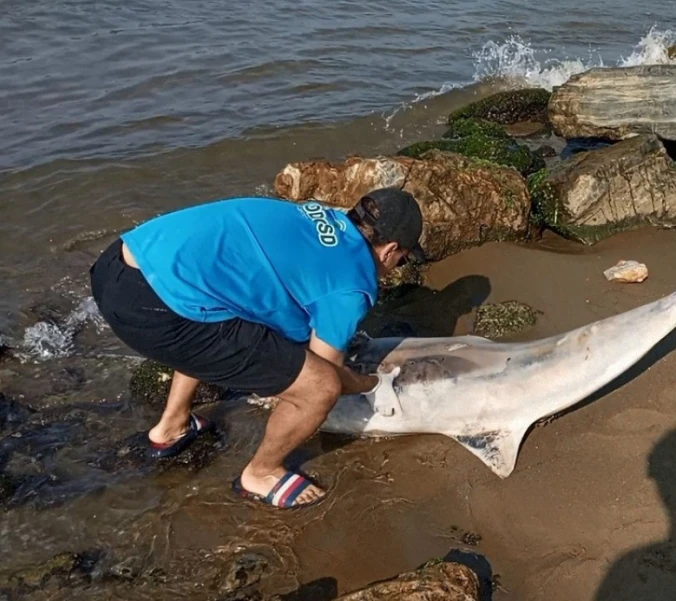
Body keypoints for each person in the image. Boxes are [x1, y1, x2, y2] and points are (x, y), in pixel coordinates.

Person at [90, 188, 426, 508]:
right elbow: (327, 373)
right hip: (154, 312)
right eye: (401, 260)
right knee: (318, 388)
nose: (393, 269)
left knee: (219, 301)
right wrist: (371, 382)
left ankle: (172, 426)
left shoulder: (316, 215)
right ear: (390, 249)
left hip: (118, 264)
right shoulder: (352, 284)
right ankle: (261, 474)